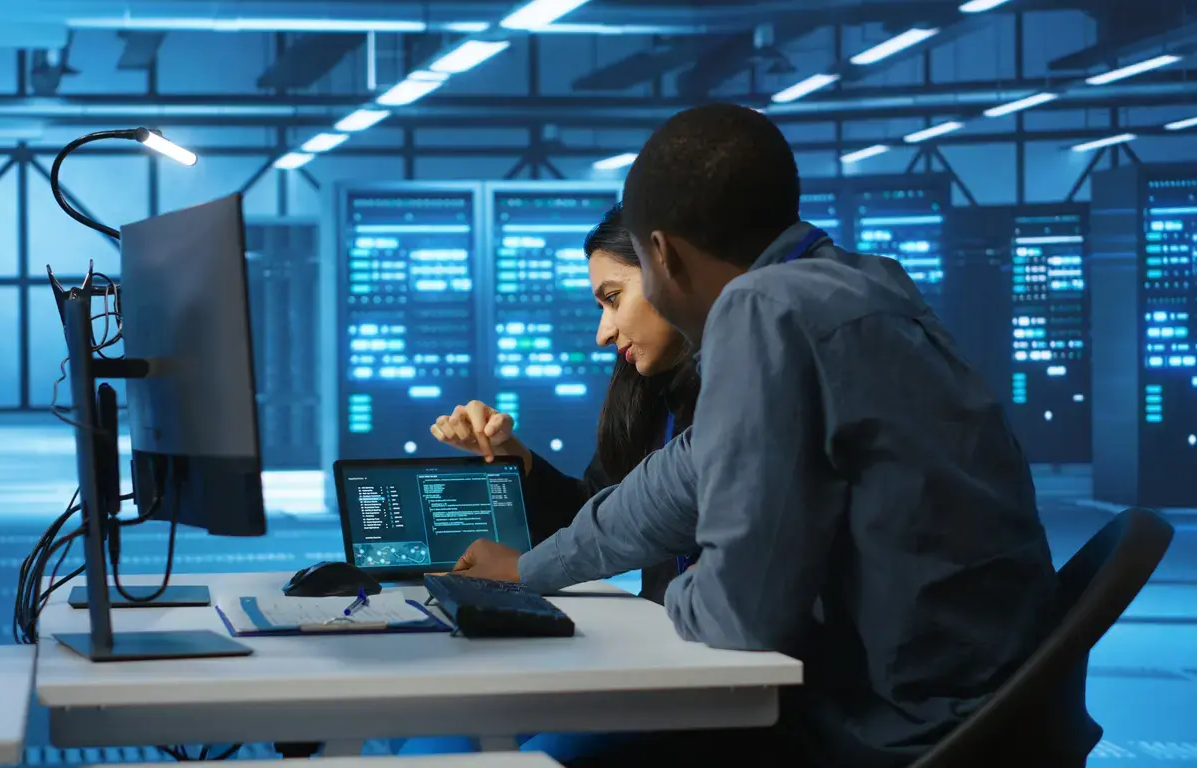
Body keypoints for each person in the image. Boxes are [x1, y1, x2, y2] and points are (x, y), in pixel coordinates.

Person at [451, 103, 1092, 767]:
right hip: (975, 704)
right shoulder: (862, 282)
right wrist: (531, 570)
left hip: (888, 727)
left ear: (664, 255)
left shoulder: (763, 309)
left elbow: (742, 620)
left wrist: (671, 593)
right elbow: (676, 480)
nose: (607, 327)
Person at [429, 203, 700, 605]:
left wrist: (521, 573)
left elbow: (629, 524)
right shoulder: (650, 392)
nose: (603, 333)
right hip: (671, 641)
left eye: (613, 298)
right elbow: (593, 516)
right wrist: (511, 453)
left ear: (668, 269)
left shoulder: (738, 391)